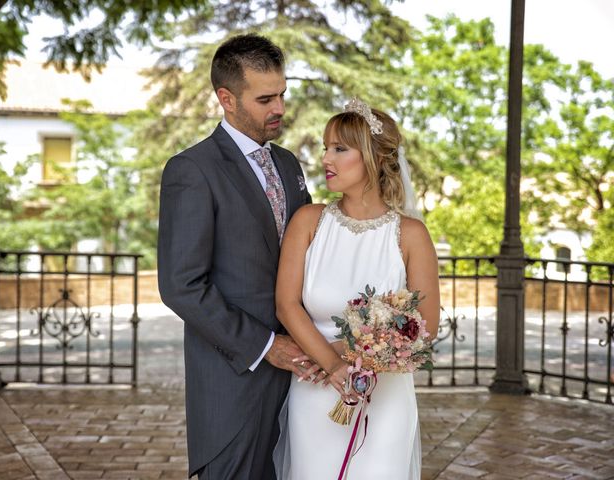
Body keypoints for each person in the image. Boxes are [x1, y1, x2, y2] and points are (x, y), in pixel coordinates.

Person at [157, 33, 312, 480]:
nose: (279, 108)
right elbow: (181, 286)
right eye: (265, 98)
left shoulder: (288, 163)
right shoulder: (191, 170)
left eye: (282, 94)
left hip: (299, 379)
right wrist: (266, 347)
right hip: (234, 383)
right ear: (227, 98)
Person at [274, 99, 440, 479]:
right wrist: (330, 363)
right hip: (315, 389)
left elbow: (425, 325)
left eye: (339, 149)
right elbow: (286, 305)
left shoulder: (411, 235)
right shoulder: (308, 222)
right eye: (324, 147)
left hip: (386, 398)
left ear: (372, 158)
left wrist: (347, 352)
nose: (326, 159)